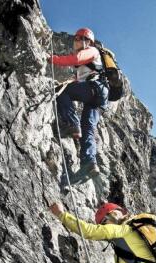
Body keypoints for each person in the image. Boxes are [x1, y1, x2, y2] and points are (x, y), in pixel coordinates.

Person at [49, 27, 108, 181]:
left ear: (86, 40)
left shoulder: (91, 51)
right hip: (99, 96)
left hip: (94, 90)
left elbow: (75, 59)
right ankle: (89, 163)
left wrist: (52, 58)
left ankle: (71, 124)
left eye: (78, 38)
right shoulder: (89, 60)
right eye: (75, 39)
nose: (75, 41)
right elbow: (80, 79)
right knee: (88, 127)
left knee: (62, 91)